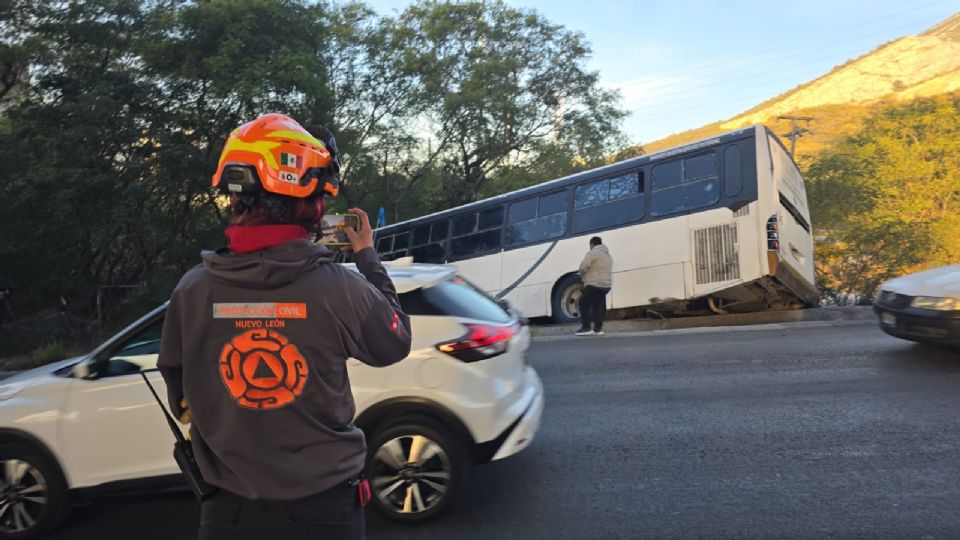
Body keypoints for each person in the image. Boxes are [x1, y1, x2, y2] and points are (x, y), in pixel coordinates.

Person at [157, 113, 411, 540]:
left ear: (235, 197)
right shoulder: (338, 288)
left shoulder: (191, 291)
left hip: (227, 516)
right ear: (307, 203)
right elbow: (395, 341)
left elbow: (180, 394)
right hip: (325, 514)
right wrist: (367, 255)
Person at [576, 236, 613, 336]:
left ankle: (586, 328)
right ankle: (598, 329)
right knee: (597, 306)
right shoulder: (607, 255)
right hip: (605, 286)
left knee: (583, 303)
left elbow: (583, 267)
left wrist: (582, 275)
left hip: (594, 284)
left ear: (592, 244)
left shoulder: (593, 253)